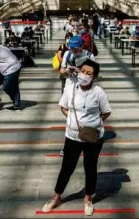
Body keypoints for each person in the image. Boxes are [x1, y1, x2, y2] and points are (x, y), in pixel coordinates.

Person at [42, 60, 111, 216]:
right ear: (78, 70)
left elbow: (106, 112)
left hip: (93, 138)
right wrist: (72, 119)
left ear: (95, 76)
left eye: (89, 73)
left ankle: (87, 199)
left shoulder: (98, 92)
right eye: (83, 71)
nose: (85, 75)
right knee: (67, 167)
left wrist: (92, 125)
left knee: (90, 167)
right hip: (72, 136)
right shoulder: (71, 87)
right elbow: (63, 106)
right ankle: (56, 197)